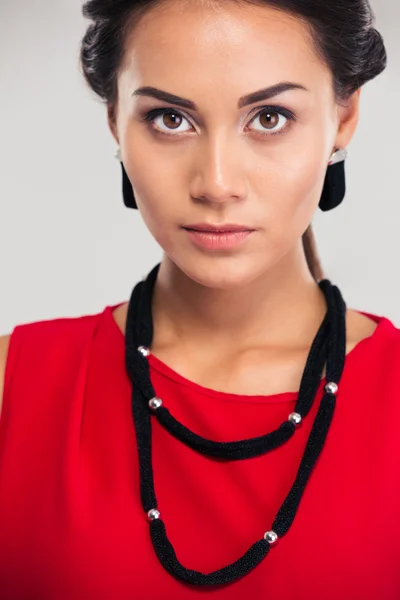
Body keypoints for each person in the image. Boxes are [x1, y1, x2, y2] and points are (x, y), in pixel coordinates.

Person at [0, 0, 398, 598]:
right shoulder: (12, 385)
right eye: (169, 118)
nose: (216, 183)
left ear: (344, 117)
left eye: (269, 117)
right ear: (115, 120)